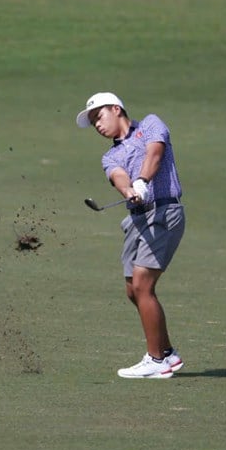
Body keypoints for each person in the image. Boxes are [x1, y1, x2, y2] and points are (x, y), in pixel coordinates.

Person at [76, 92, 186, 379]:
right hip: (137, 221)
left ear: (116, 109)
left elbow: (155, 153)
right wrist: (128, 191)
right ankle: (168, 354)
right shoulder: (109, 155)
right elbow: (118, 176)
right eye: (93, 123)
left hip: (164, 214)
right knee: (132, 290)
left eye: (99, 117)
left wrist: (143, 181)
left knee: (142, 285)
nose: (97, 126)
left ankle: (155, 360)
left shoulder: (150, 124)